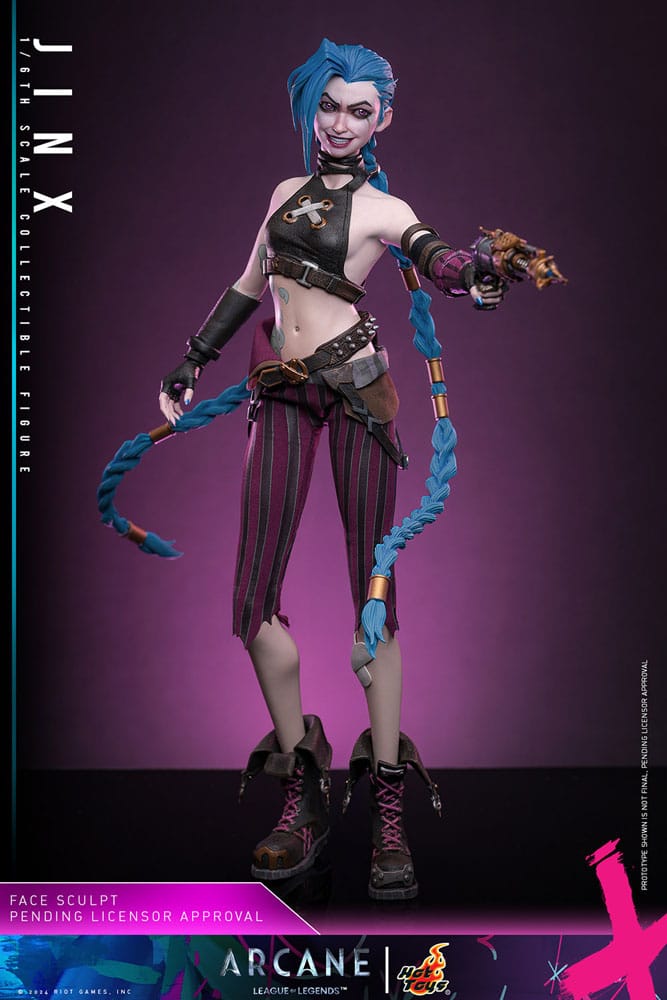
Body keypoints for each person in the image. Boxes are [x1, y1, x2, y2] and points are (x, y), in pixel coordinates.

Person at [158, 38, 505, 901]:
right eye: (328, 105)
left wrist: (476, 273)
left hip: (356, 394)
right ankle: (302, 787)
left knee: (372, 602)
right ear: (309, 107)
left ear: (382, 119)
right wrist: (193, 357)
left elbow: (434, 254)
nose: (341, 123)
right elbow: (249, 282)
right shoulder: (283, 194)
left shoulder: (385, 209)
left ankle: (385, 802)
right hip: (279, 390)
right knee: (252, 605)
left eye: (359, 110)